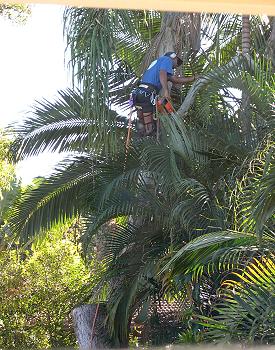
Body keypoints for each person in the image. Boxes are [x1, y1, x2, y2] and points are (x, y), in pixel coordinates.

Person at [131, 52, 196, 136]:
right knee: (150, 129)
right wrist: (166, 91)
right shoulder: (166, 60)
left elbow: (176, 80)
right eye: (177, 62)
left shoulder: (157, 64)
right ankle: (149, 141)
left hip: (139, 93)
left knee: (143, 125)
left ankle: (140, 140)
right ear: (173, 57)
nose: (175, 67)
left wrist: (194, 78)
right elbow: (162, 73)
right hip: (147, 94)